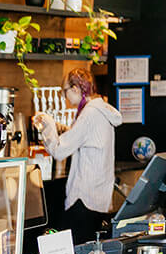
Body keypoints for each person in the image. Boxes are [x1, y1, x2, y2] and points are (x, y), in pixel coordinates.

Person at [33, 70, 122, 241]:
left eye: (64, 91)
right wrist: (62, 128)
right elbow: (86, 138)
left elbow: (59, 151)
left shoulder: (89, 114)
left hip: (84, 198)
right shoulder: (101, 109)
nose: (65, 97)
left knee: (69, 251)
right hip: (100, 196)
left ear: (75, 89)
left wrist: (48, 125)